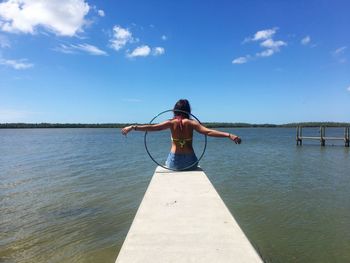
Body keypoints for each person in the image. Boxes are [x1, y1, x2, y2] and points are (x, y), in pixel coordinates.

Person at [121, 99, 241, 170]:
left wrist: (133, 127)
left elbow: (153, 128)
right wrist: (228, 135)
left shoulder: (170, 122)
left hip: (174, 161)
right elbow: (208, 132)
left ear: (175, 110)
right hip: (191, 161)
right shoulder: (191, 123)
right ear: (188, 110)